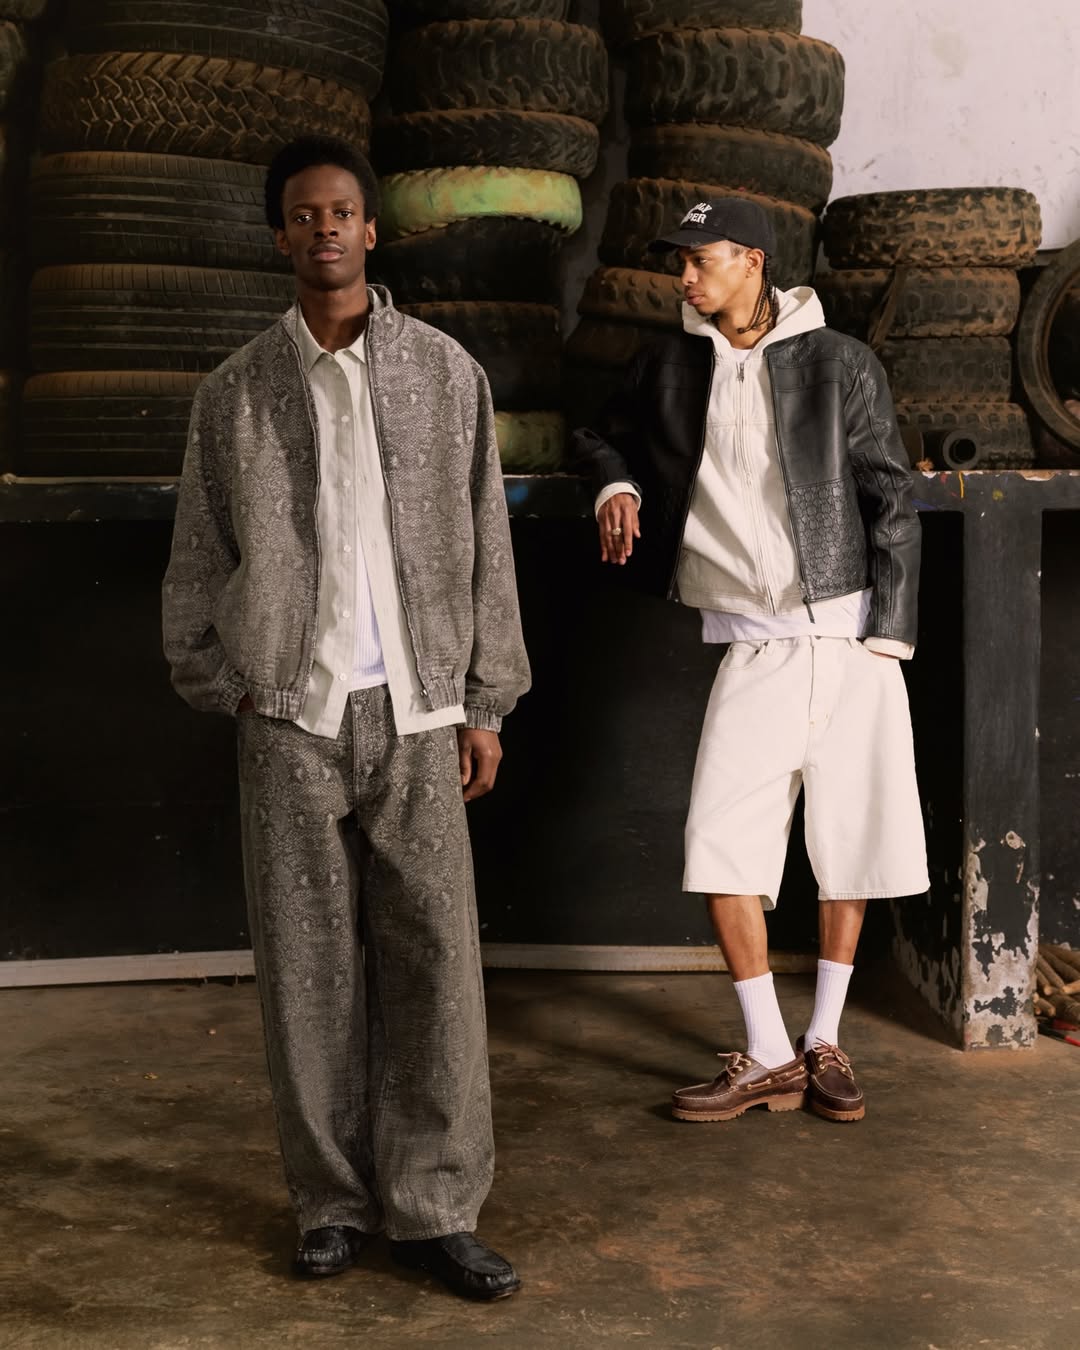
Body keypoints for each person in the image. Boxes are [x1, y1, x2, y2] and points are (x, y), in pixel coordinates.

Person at [162, 135, 530, 1299]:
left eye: (341, 212)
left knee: (437, 965)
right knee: (306, 970)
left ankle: (436, 1209)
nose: (324, 227)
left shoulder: (445, 375)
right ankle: (329, 1203)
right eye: (303, 214)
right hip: (290, 717)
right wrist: (222, 678)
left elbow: (487, 543)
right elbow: (198, 554)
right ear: (281, 237)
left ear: (371, 230)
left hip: (420, 716)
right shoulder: (236, 394)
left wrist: (485, 702)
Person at [574, 197, 928, 1125]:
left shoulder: (840, 360)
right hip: (754, 641)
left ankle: (825, 1040)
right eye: (680, 262)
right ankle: (769, 1051)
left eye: (703, 258)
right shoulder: (667, 364)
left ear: (755, 263)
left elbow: (890, 496)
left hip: (849, 632)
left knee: (852, 843)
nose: (686, 276)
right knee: (722, 844)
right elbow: (596, 431)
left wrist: (888, 633)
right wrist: (614, 483)